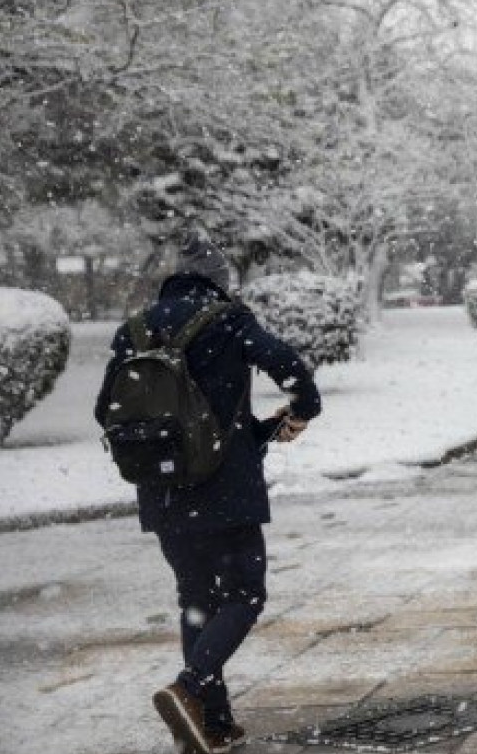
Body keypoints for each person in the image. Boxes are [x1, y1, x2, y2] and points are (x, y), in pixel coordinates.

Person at [95, 233, 320, 754]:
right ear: (220, 282)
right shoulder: (228, 318)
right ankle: (189, 688)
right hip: (225, 489)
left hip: (162, 490)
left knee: (197, 601)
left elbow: (104, 410)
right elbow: (290, 368)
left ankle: (212, 725)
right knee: (245, 595)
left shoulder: (134, 329)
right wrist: (302, 411)